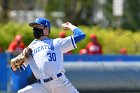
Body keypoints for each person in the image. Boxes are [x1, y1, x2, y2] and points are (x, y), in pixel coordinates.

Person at [10, 17, 86, 93]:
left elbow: (81, 35)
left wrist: (70, 26)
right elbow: (17, 72)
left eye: (37, 26)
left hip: (60, 82)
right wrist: (15, 63)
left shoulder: (57, 42)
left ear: (46, 29)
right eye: (34, 27)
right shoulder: (30, 49)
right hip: (42, 86)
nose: (34, 29)